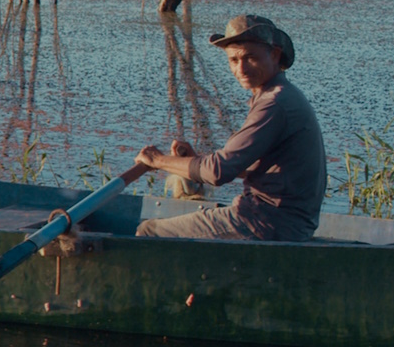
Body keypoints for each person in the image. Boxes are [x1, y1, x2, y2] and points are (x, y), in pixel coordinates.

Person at [134, 14, 326, 241]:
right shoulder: (279, 96)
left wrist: (156, 160)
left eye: (250, 58)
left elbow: (217, 172)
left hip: (267, 222)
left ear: (274, 55)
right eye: (233, 60)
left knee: (148, 231)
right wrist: (193, 161)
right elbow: (250, 167)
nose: (241, 69)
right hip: (287, 222)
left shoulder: (274, 104)